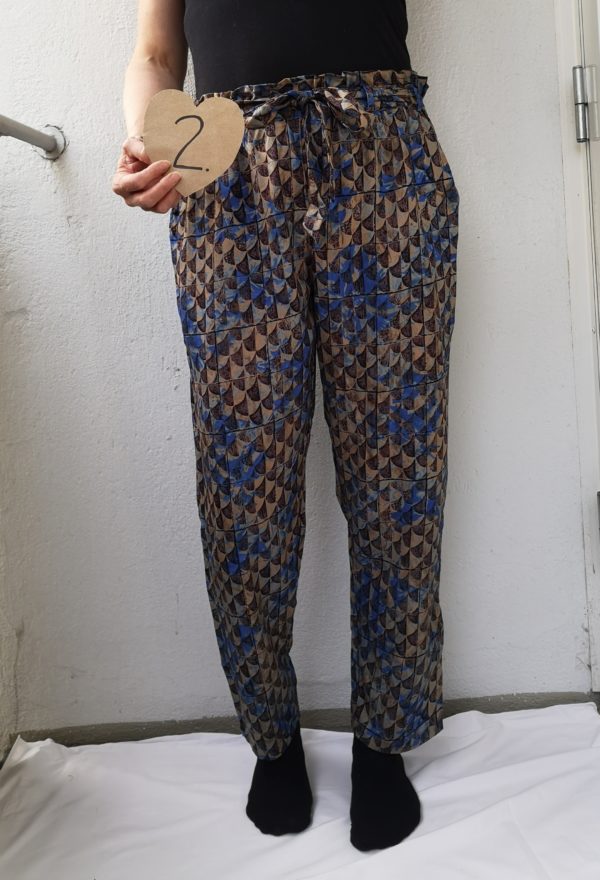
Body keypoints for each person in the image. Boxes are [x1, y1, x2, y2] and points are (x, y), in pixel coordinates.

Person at [112, 0, 460, 853]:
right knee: (244, 479)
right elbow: (155, 51)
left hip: (381, 157)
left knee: (398, 467)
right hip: (222, 166)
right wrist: (147, 143)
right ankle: (272, 737)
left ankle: (385, 739)